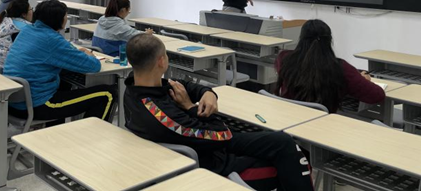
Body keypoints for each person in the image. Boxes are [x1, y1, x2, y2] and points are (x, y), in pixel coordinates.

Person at [124, 34, 313, 191]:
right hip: (214, 163)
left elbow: (185, 86)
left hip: (204, 144)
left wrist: (208, 93)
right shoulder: (160, 115)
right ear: (161, 61)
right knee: (290, 153)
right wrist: (190, 107)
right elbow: (221, 134)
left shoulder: (136, 88)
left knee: (282, 142)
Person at [4, 0, 117, 123]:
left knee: (64, 81)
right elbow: (94, 66)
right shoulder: (51, 39)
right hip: (36, 104)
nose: (66, 18)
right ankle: (88, 135)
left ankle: (57, 128)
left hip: (13, 101)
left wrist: (73, 52)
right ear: (58, 19)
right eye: (65, 16)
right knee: (107, 94)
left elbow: (62, 49)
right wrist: (89, 55)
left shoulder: (27, 30)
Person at [275, 19, 385, 113]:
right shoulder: (341, 68)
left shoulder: (283, 58)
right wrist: (362, 80)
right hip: (322, 125)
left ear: (301, 39)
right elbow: (377, 96)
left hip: (287, 119)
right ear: (329, 41)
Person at [0, 0, 33, 69]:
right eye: (31, 9)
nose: (32, 11)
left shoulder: (3, 22)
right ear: (24, 14)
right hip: (9, 70)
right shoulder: (24, 28)